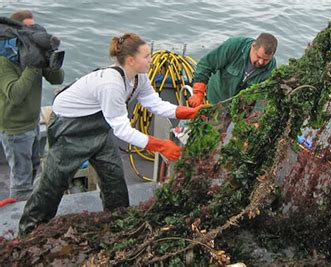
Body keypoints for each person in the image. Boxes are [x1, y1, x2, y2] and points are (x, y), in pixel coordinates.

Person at [18, 32, 204, 235]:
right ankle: (29, 230)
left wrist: (188, 112)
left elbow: (154, 103)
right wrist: (160, 145)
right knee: (53, 184)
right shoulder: (111, 84)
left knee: (114, 179)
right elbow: (122, 129)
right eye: (147, 56)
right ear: (131, 60)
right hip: (70, 128)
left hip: (99, 125)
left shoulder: (138, 78)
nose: (151, 60)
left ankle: (119, 223)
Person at [0, 10, 64, 202]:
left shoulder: (32, 53)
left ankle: (30, 208)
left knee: (36, 168)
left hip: (33, 122)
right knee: (21, 181)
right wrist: (33, 65)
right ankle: (18, 221)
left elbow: (57, 79)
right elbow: (15, 94)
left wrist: (49, 59)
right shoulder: (4, 60)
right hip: (15, 129)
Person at [188, 33, 278, 106]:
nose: (261, 62)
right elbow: (206, 64)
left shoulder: (271, 69)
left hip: (237, 108)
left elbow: (263, 96)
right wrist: (198, 93)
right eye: (258, 56)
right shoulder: (235, 46)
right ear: (253, 46)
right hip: (213, 97)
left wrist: (256, 118)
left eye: (266, 60)